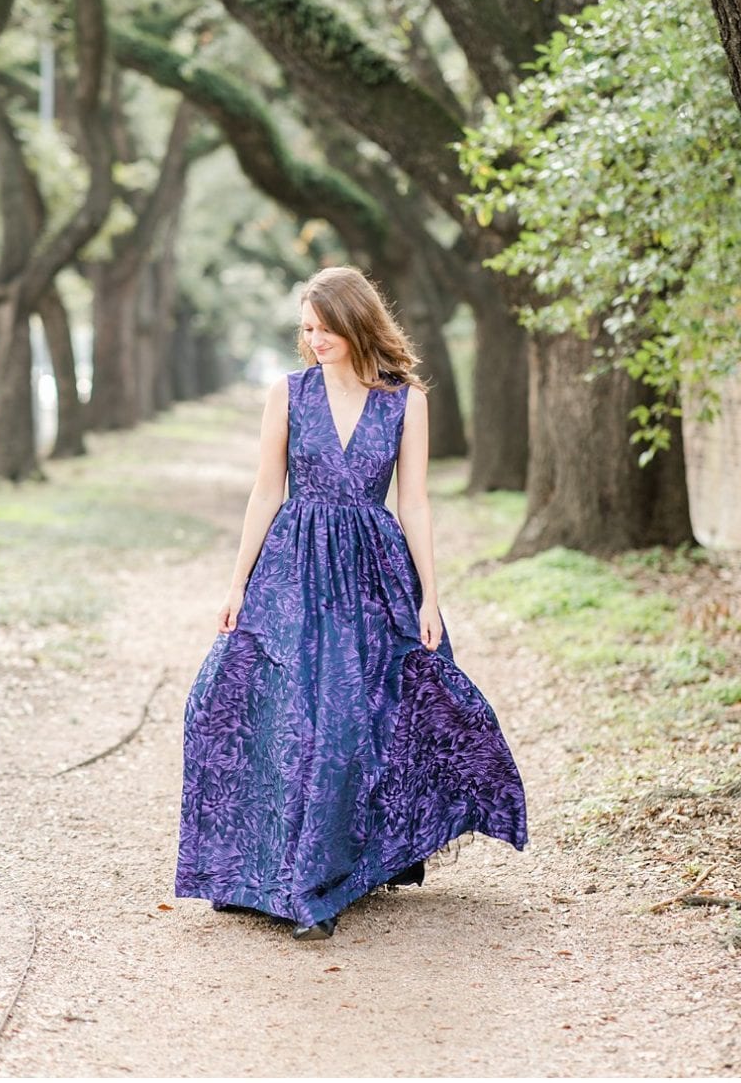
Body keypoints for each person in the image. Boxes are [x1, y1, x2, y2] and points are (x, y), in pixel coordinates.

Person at [176, 266, 527, 941]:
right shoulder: (288, 393)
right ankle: (276, 873)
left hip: (371, 575)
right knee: (282, 715)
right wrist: (237, 581)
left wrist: (430, 592)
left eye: (324, 327)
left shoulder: (405, 401)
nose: (313, 340)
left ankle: (325, 878)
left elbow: (415, 501)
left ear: (356, 323)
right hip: (293, 569)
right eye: (306, 328)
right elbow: (265, 491)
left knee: (350, 725)